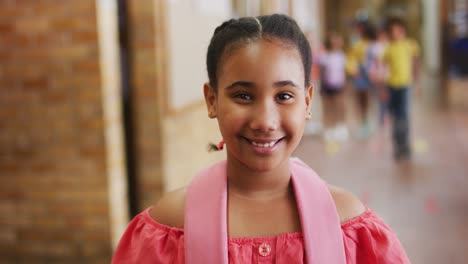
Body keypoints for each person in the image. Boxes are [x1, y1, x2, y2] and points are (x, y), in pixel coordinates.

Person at [112, 14, 410, 263]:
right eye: (243, 95)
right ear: (212, 99)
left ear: (307, 101)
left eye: (284, 96)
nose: (265, 121)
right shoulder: (169, 227)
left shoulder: (350, 226)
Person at [383, 17, 420, 160]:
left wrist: (417, 83)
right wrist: (383, 88)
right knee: (395, 116)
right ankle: (397, 146)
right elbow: (384, 66)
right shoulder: (389, 48)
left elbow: (416, 64)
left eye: (397, 30)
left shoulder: (411, 45)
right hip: (392, 86)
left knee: (404, 116)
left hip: (405, 85)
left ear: (402, 30)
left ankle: (405, 146)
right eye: (392, 31)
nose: (395, 33)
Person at [317, 32, 349, 142]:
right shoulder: (324, 56)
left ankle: (339, 126)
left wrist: (345, 84)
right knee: (328, 107)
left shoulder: (341, 55)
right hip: (327, 85)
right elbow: (322, 72)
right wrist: (321, 86)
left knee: (339, 106)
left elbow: (344, 72)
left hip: (338, 85)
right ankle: (328, 128)